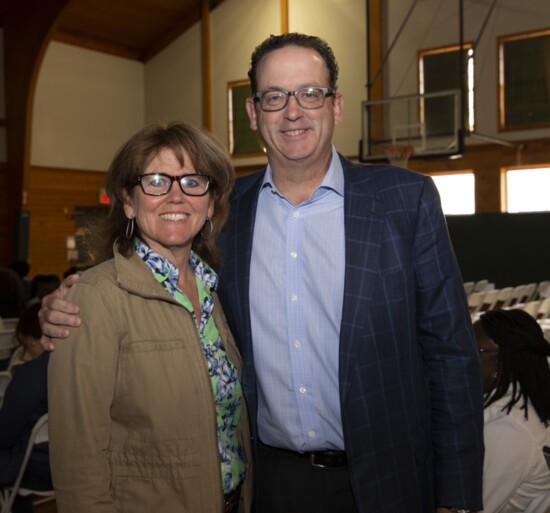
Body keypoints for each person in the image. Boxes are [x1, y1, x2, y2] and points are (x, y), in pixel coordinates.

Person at [39, 33, 483, 513]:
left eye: (310, 93)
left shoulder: (405, 200)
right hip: (270, 485)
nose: (293, 111)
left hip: (389, 479)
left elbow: (452, 356)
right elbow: (148, 278)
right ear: (253, 113)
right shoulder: (224, 213)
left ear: (335, 105)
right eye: (274, 96)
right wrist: (61, 304)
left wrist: (456, 497)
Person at [45, 122, 252, 513]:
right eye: (156, 181)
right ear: (128, 200)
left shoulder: (218, 291)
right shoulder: (96, 297)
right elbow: (78, 467)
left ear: (209, 204)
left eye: (192, 181)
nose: (175, 196)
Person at [473, 309, 550, 513]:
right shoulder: (527, 403)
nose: (462, 359)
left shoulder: (508, 428)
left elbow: (470, 507)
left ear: (500, 360)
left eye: (472, 350)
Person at [0, 303, 51, 513]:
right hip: (83, 463)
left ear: (31, 339)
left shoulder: (31, 375)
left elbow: (4, 435)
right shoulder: (85, 366)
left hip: (38, 468)